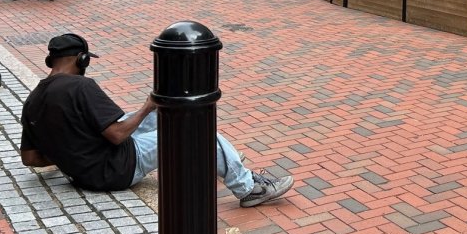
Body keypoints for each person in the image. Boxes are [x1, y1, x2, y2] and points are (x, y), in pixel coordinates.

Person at [20, 34, 294, 206]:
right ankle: (249, 189)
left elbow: (30, 159)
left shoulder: (32, 101)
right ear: (82, 59)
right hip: (118, 166)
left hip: (86, 172)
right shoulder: (81, 86)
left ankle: (221, 158)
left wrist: (71, 153)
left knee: (161, 118)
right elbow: (117, 135)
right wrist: (147, 106)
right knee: (198, 133)